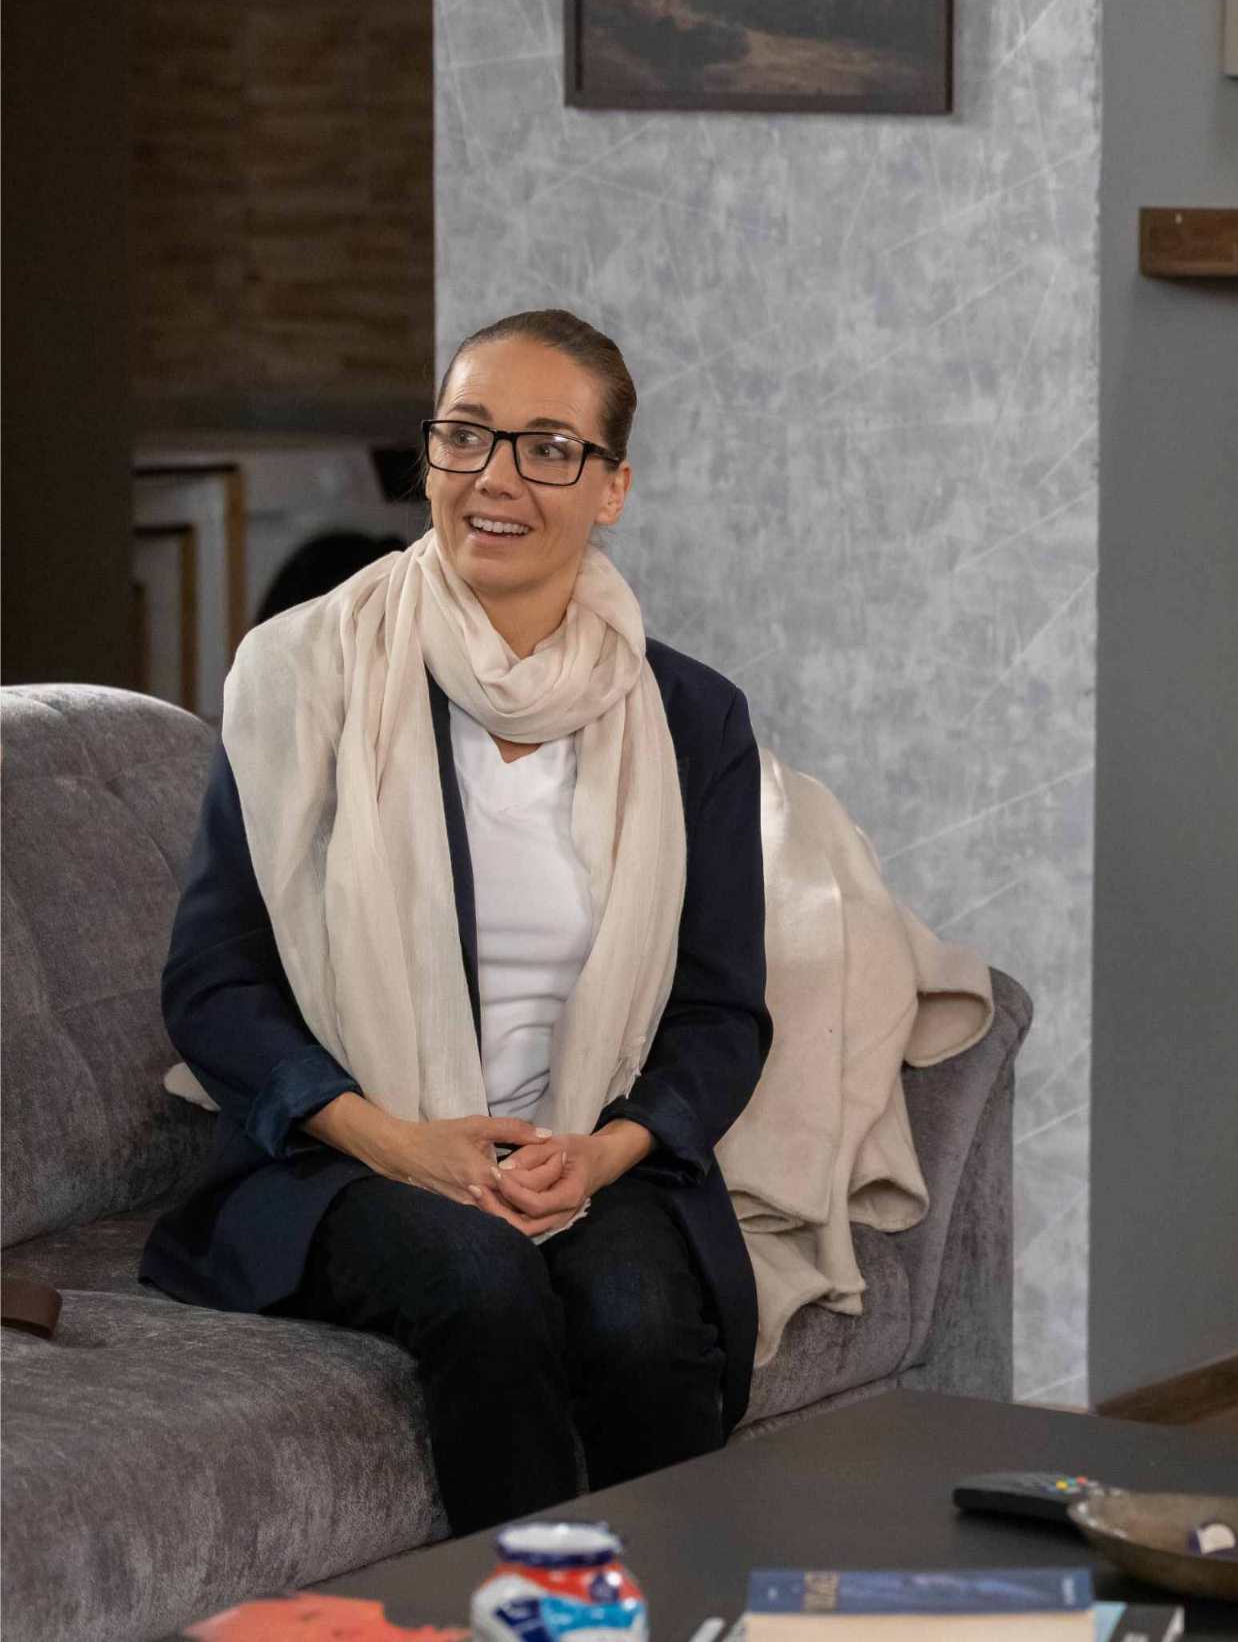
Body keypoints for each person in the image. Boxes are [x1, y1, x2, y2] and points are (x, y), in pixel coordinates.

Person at [143, 309, 772, 1535]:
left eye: (548, 448)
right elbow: (213, 983)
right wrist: (397, 1143)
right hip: (350, 1157)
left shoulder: (690, 717)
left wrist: (603, 1154)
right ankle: (533, 1612)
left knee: (641, 1321)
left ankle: (672, 1607)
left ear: (612, 488)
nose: (495, 477)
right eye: (466, 435)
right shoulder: (305, 675)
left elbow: (719, 1010)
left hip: (579, 1142)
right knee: (482, 1281)